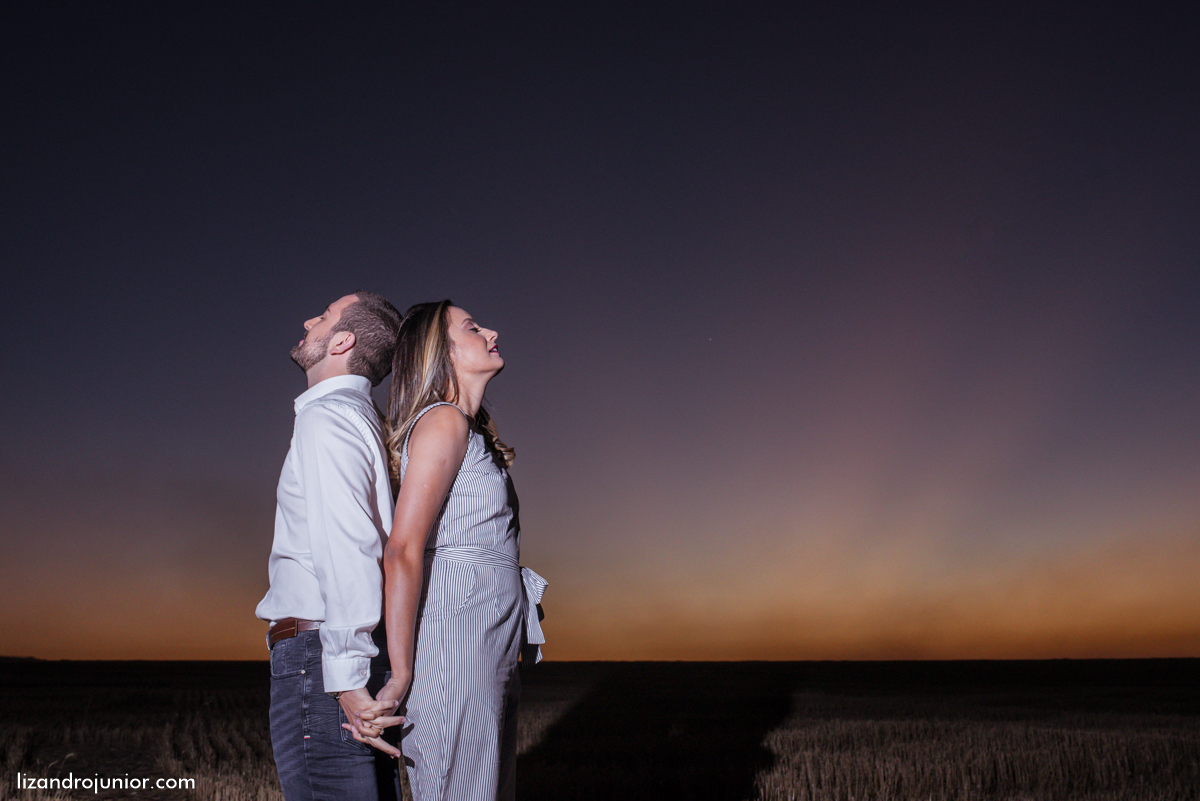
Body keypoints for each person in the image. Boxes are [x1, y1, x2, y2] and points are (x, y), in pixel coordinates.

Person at [353, 300, 546, 801]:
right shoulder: (443, 422)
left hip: (489, 640)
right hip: (458, 640)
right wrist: (401, 673)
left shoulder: (469, 430)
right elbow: (401, 550)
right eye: (473, 327)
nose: (491, 330)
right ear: (443, 353)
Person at [255, 290, 404, 800]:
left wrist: (344, 677)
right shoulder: (365, 421)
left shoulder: (329, 418)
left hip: (321, 655)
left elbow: (349, 545)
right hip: (347, 648)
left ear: (342, 340)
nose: (308, 319)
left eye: (323, 316)